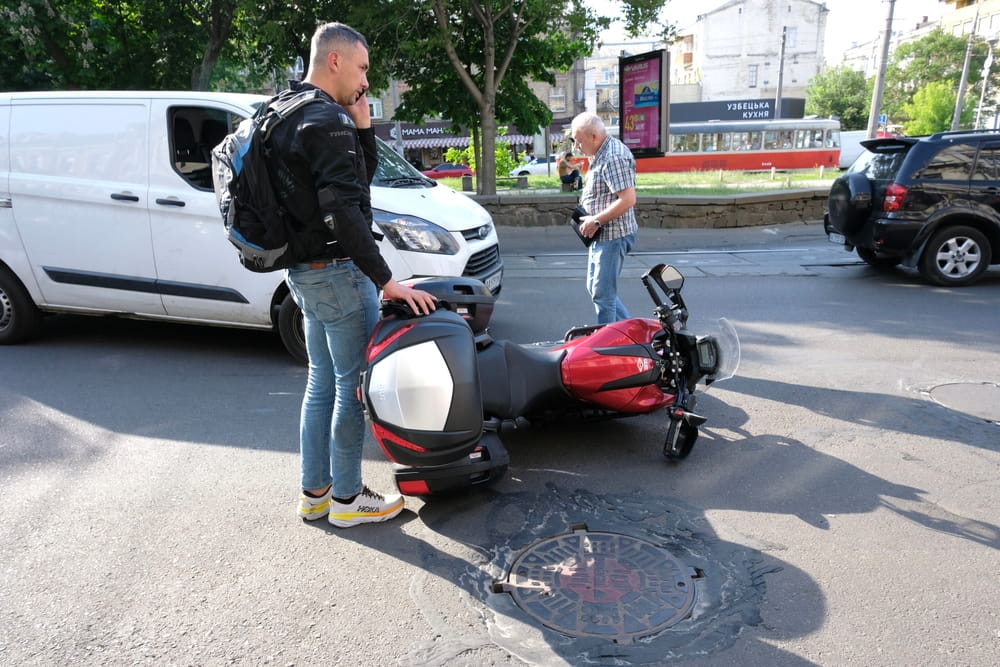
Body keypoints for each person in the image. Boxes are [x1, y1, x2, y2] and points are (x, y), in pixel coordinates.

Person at [270, 22, 437, 528]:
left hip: (303, 272)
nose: (365, 80)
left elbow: (349, 185)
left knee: (321, 381)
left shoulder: (284, 111)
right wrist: (387, 279)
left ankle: (314, 493)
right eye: (362, 68)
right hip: (339, 273)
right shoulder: (325, 119)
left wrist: (364, 128)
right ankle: (347, 498)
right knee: (353, 386)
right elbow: (345, 209)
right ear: (336, 61)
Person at [569, 112, 638, 324]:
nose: (576, 146)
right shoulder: (601, 151)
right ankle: (629, 332)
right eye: (574, 140)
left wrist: (596, 220)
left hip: (612, 235)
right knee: (595, 289)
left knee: (603, 296)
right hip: (601, 234)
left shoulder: (613, 158)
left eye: (579, 141)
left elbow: (627, 199)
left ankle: (608, 344)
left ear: (594, 137)